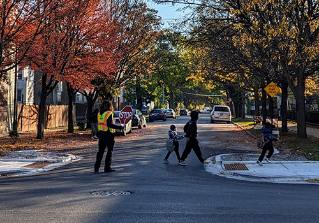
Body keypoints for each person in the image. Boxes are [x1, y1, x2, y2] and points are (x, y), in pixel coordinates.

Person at [94, 101, 123, 173]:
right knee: (109, 152)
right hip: (108, 135)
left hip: (101, 134)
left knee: (100, 152)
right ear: (109, 106)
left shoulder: (99, 114)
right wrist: (119, 127)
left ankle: (96, 167)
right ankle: (107, 167)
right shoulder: (109, 113)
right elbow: (109, 124)